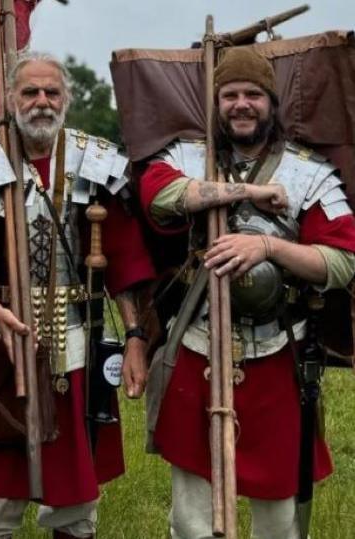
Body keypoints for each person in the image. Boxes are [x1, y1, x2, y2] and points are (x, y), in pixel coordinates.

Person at [138, 47, 355, 538]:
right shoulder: (187, 157)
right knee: (193, 516)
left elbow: (343, 261)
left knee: (278, 516)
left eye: (253, 94)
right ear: (215, 103)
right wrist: (249, 195)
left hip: (276, 355)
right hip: (198, 347)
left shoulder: (308, 172)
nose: (241, 104)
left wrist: (267, 245)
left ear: (270, 103)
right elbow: (160, 197)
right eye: (230, 94)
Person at [0, 51, 155, 539]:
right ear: (11, 99)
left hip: (78, 347)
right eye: (30, 92)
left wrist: (137, 335)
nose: (41, 102)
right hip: (3, 345)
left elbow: (124, 259)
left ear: (67, 99)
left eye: (51, 92)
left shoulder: (95, 162)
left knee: (76, 491)